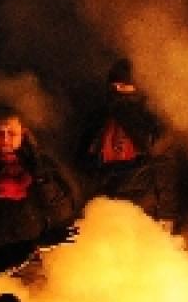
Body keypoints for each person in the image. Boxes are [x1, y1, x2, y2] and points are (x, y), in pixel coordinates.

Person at [75, 58, 176, 228]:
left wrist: (166, 213)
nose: (117, 91)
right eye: (114, 86)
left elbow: (163, 163)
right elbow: (83, 163)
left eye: (124, 86)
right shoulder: (100, 118)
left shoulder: (152, 118)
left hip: (143, 208)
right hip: (107, 204)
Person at [0, 108, 78, 248]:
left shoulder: (42, 164)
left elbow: (62, 212)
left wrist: (41, 177)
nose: (5, 139)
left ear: (23, 134)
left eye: (12, 133)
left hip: (31, 252)